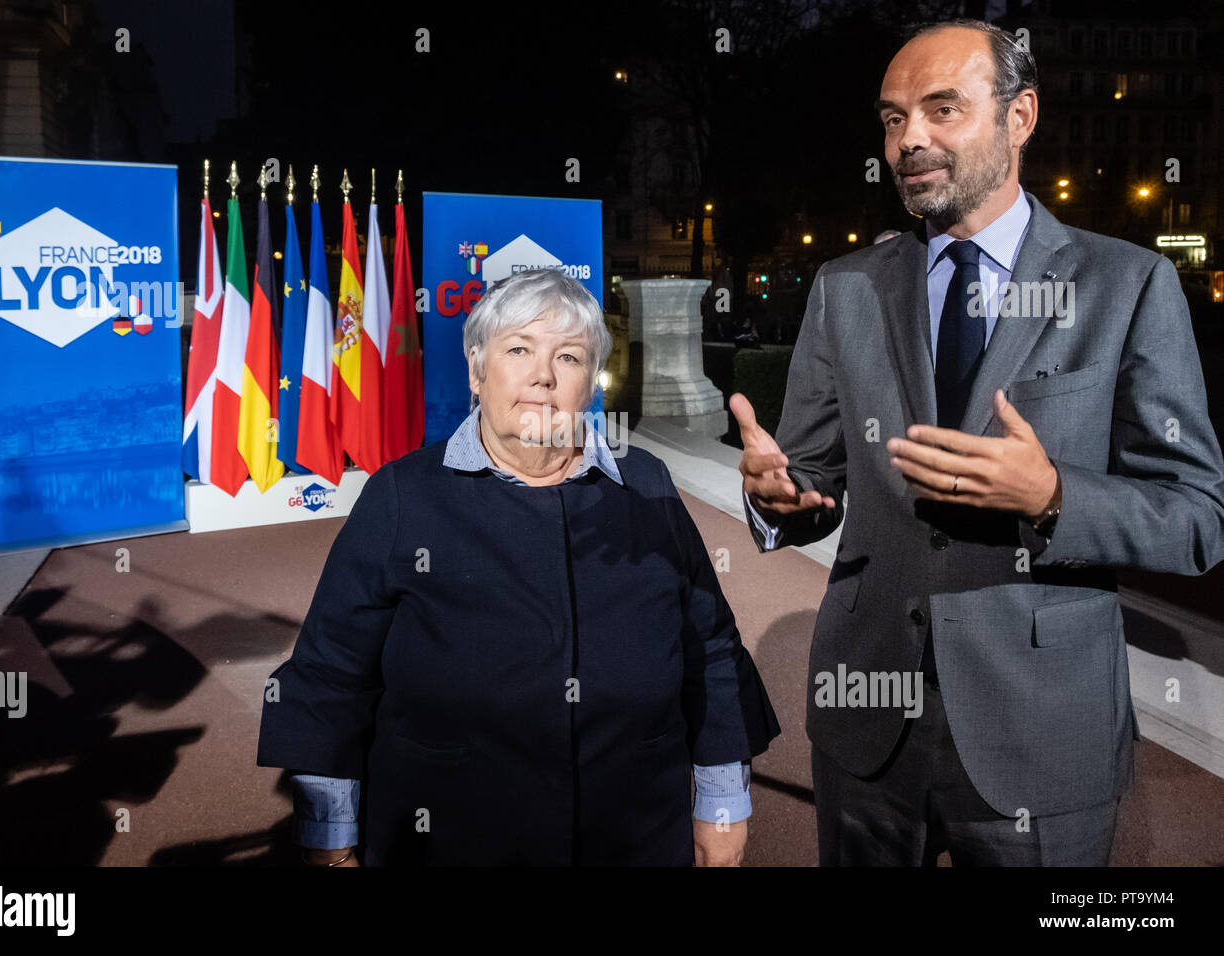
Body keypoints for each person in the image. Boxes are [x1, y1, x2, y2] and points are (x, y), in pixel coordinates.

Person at [735, 18, 1224, 866]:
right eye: (892, 119)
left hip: (1041, 733)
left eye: (941, 108)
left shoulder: (1127, 284)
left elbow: (1196, 518)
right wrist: (777, 493)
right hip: (864, 725)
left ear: (1020, 115)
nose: (909, 139)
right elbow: (813, 477)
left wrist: (1054, 497)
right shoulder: (845, 287)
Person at [258, 266, 780, 866]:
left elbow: (710, 650)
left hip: (634, 837)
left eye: (569, 357)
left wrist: (722, 808)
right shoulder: (403, 496)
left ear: (591, 384)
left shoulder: (647, 486)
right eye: (518, 349)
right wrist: (330, 845)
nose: (543, 376)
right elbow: (332, 675)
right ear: (477, 370)